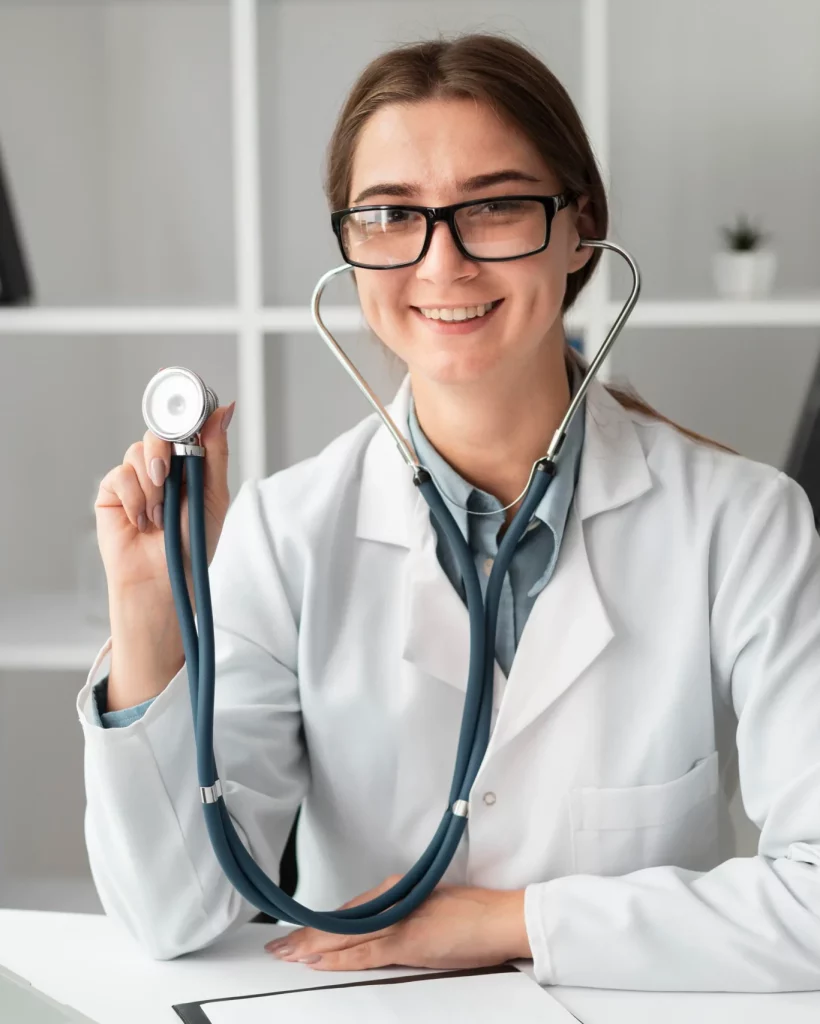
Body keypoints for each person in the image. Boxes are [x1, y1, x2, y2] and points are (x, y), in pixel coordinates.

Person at [77, 33, 820, 991]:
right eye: (391, 215)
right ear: (349, 244)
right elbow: (170, 913)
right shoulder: (288, 531)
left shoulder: (743, 523)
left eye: (498, 205)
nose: (443, 261)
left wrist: (513, 922)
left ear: (580, 226)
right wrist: (149, 620)